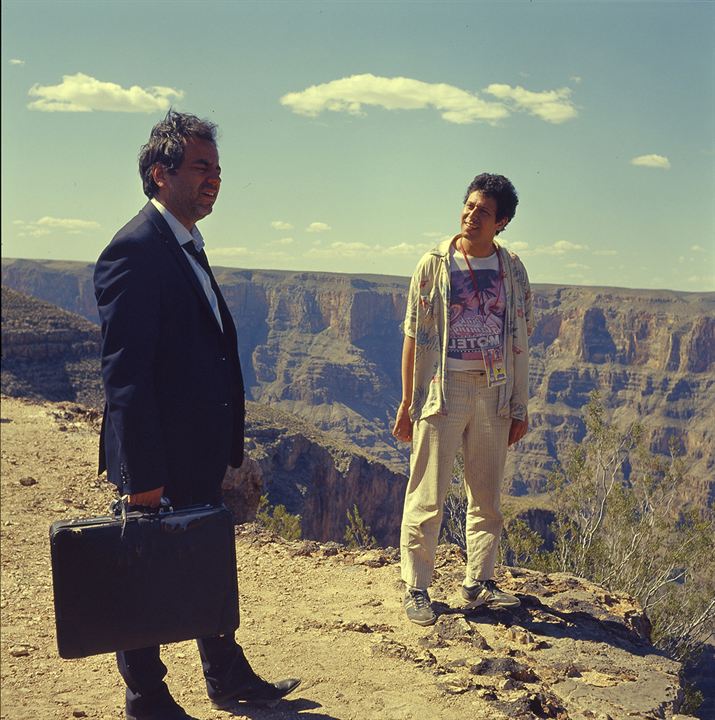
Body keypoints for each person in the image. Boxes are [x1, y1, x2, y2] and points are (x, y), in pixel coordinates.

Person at [94, 110, 300, 720]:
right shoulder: (133, 250)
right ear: (160, 174)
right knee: (146, 568)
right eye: (200, 167)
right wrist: (144, 473)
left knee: (207, 560)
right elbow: (125, 376)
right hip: (160, 451)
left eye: (217, 169)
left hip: (198, 448)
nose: (214, 179)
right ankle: (146, 697)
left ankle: (225, 674)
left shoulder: (184, 244)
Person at [392, 173, 533, 626]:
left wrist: (519, 402)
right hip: (442, 389)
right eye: (469, 206)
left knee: (486, 495)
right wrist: (407, 402)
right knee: (427, 493)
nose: (472, 216)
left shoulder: (512, 270)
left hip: (494, 390)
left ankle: (479, 583)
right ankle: (416, 586)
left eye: (484, 212)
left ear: (502, 222)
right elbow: (412, 336)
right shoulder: (433, 265)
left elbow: (522, 337)